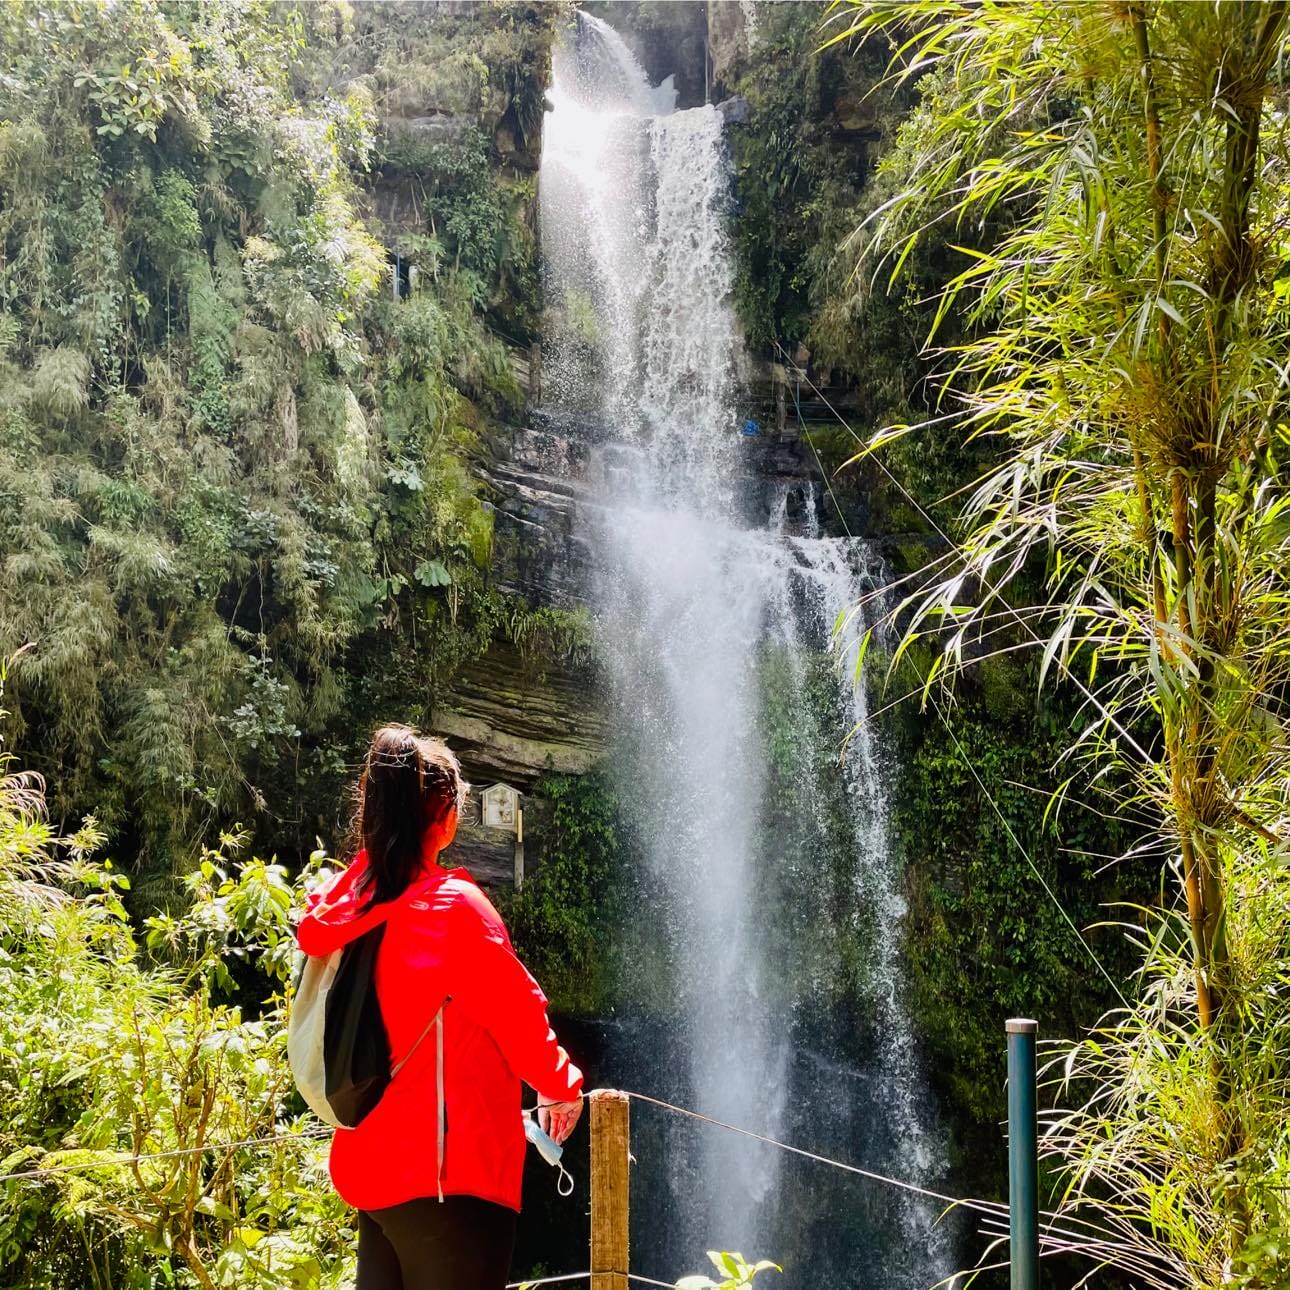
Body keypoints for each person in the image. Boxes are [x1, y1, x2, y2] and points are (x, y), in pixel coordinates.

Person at [298, 724, 584, 1290]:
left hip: (373, 1171)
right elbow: (516, 1010)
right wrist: (560, 1086)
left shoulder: (353, 905)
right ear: (446, 818)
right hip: (448, 1178)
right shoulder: (452, 909)